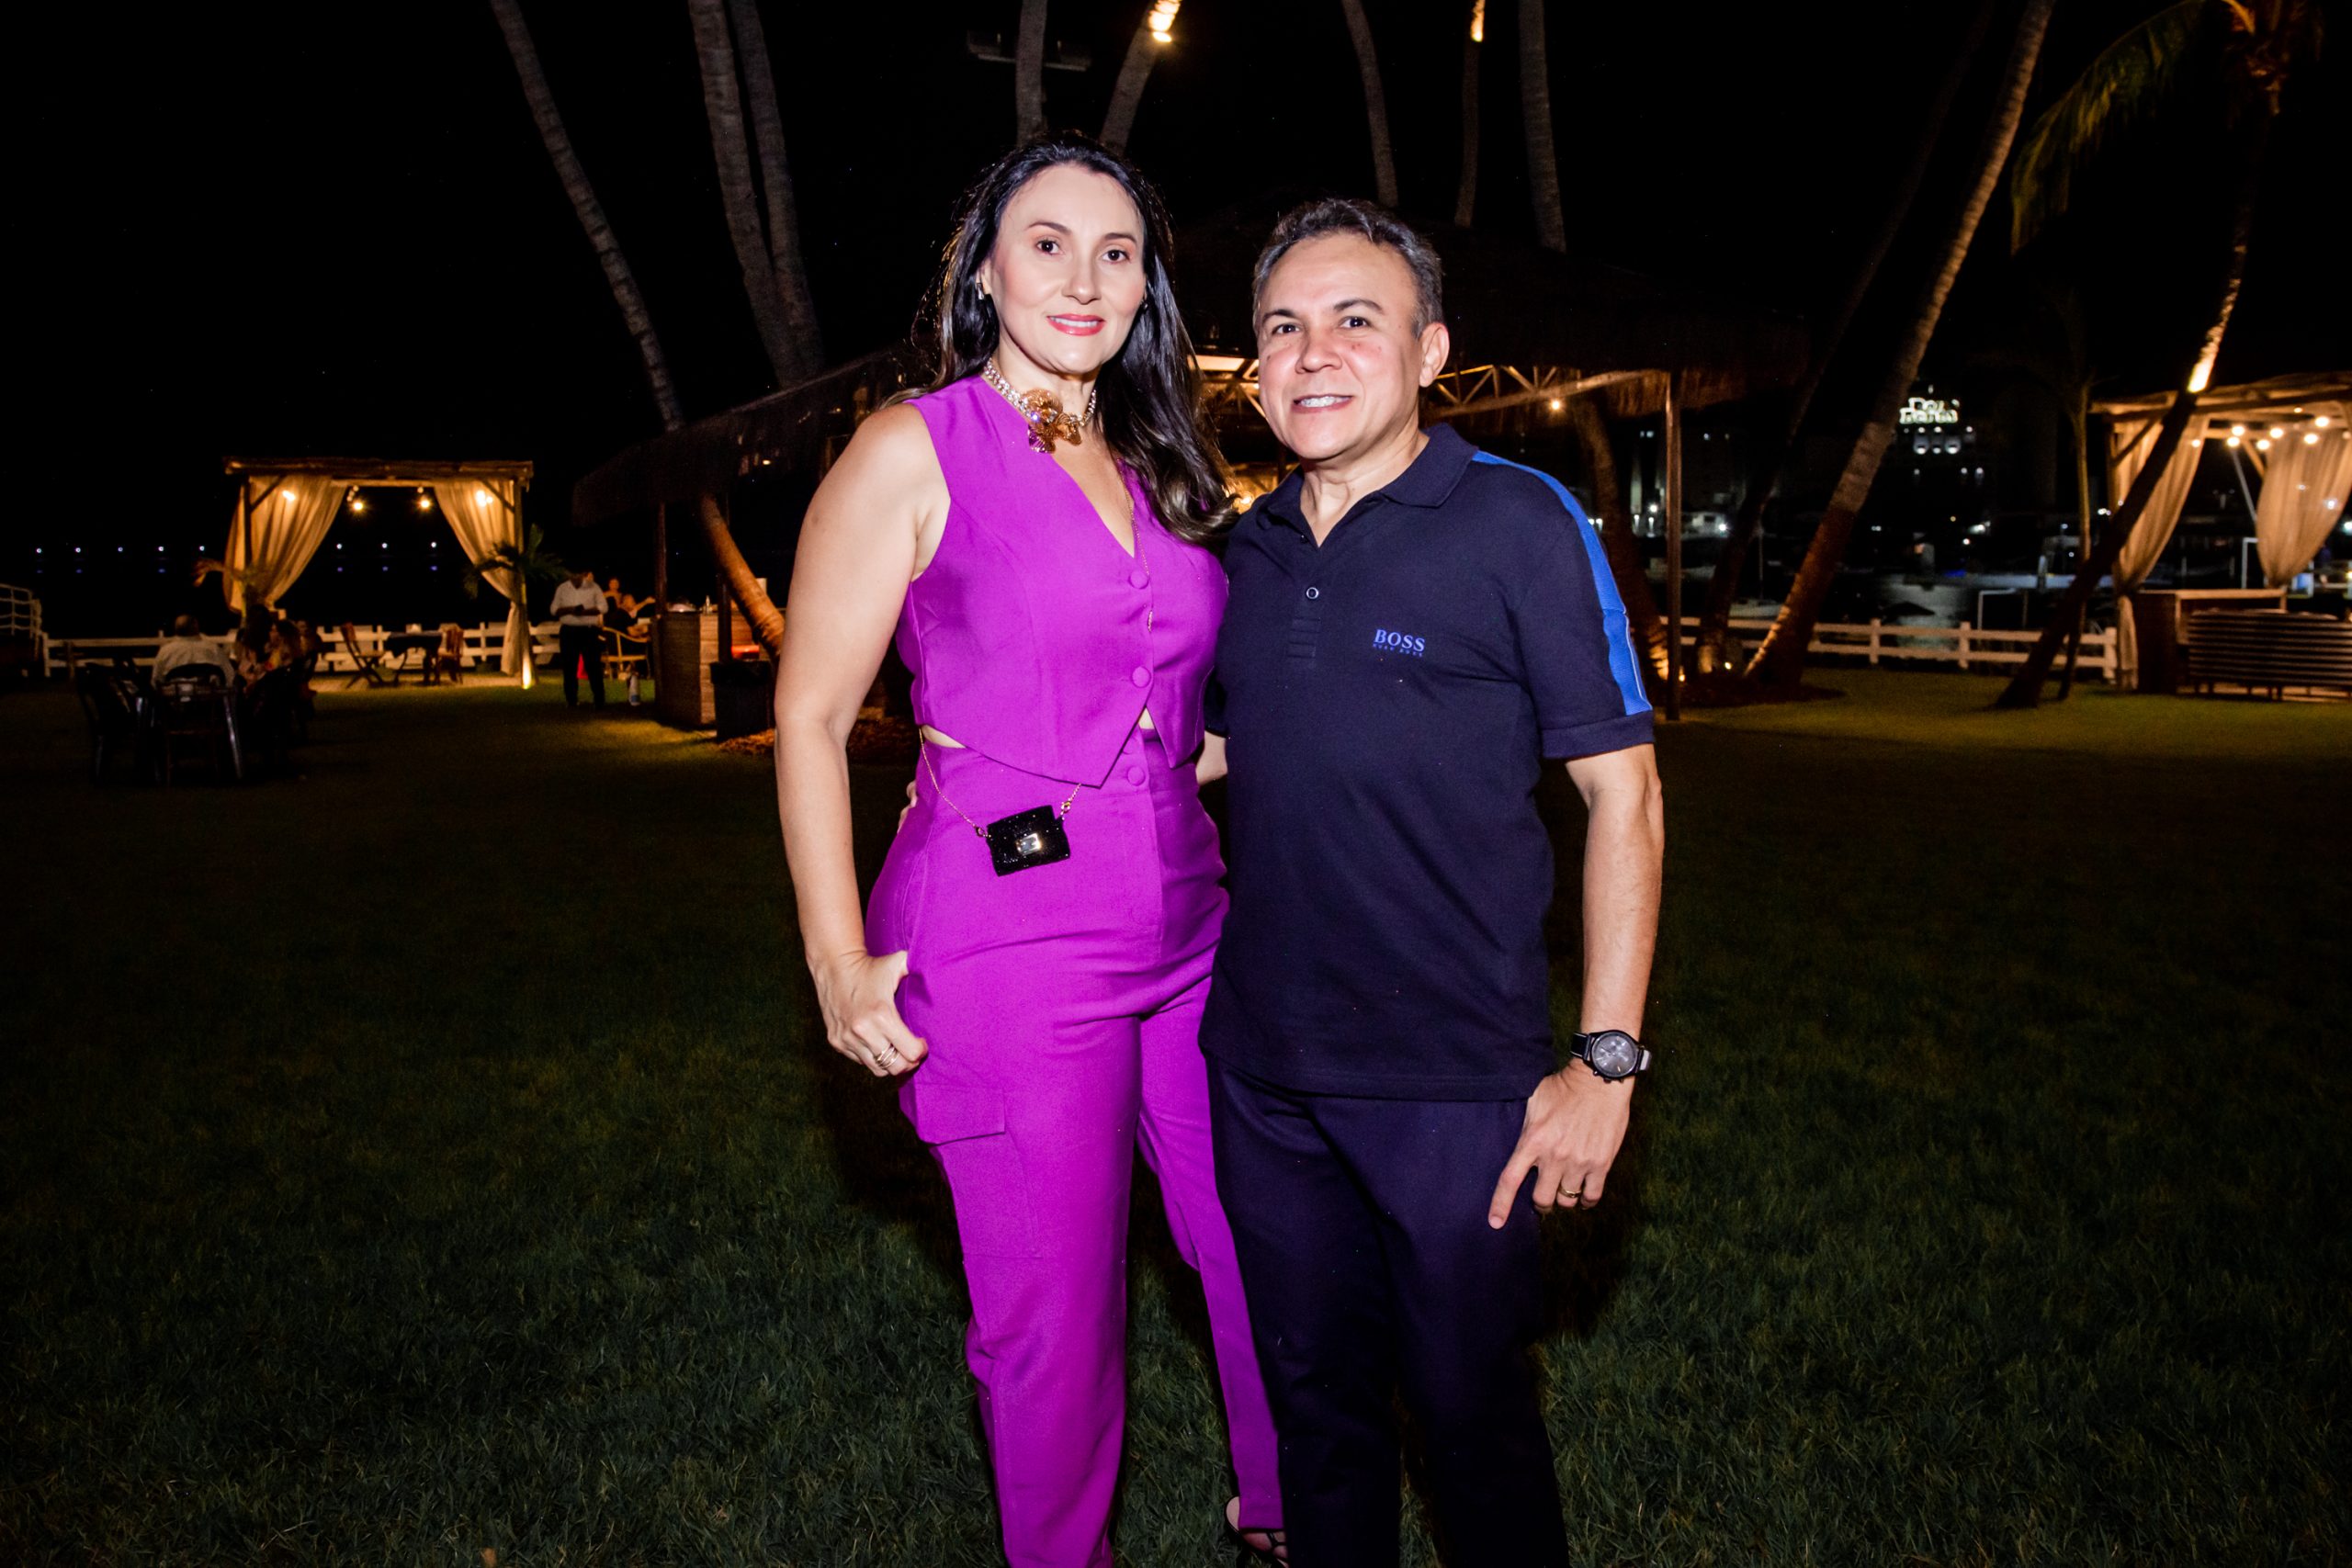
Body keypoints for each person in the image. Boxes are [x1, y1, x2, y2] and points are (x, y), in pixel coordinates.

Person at [772, 133, 1283, 1568]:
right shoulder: (915, 446)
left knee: (1263, 1234)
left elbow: (1173, 705)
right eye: (1048, 243)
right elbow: (810, 715)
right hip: (1007, 932)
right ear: (986, 271)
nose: (1085, 278)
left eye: (1118, 253)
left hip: (1190, 916)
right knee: (1057, 1317)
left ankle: (1291, 1507)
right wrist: (835, 960)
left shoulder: (1159, 461)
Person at [1202, 199, 1665, 1567]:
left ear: (1431, 350)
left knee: (1472, 1423)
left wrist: (1607, 1060)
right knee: (1316, 1415)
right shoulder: (1246, 551)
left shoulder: (1518, 522)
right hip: (1264, 1073)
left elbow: (1625, 795)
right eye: (1283, 327)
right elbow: (1217, 747)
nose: (1313, 353)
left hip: (1454, 1082)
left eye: (1356, 320)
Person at [548, 566, 608, 707]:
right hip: (569, 631)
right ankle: (571, 700)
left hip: (588, 631)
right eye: (572, 573)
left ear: (583, 574)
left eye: (578, 573)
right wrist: (570, 610)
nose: (575, 577)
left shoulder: (594, 587)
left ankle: (599, 700)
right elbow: (553, 610)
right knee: (569, 667)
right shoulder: (562, 588)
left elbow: (603, 607)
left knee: (593, 666)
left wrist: (584, 612)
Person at [153, 615, 235, 681]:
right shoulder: (213, 649)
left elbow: (156, 679)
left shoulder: (165, 651)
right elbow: (229, 675)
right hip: (208, 695)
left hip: (175, 694)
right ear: (196, 626)